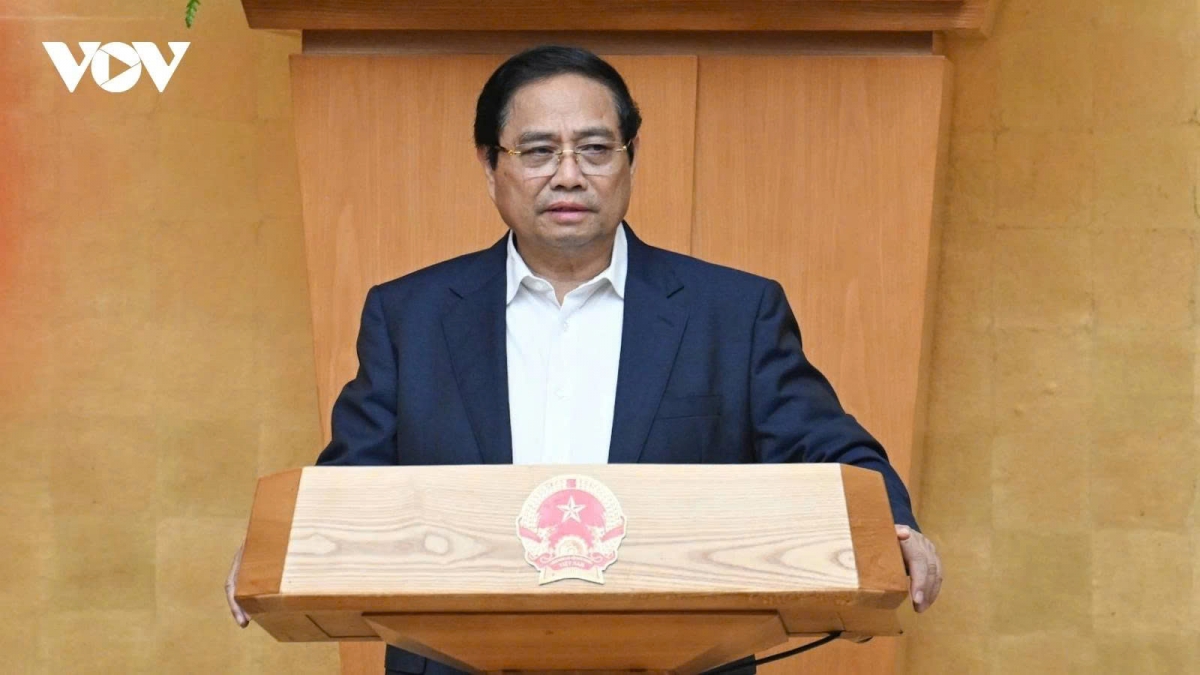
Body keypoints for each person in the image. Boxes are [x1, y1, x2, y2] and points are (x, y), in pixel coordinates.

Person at [226, 44, 942, 674]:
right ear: (489, 164)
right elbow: (354, 484)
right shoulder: (408, 316)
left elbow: (830, 450)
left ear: (630, 160)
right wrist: (285, 549)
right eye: (538, 151)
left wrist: (893, 529)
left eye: (596, 149)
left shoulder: (732, 313)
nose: (568, 174)